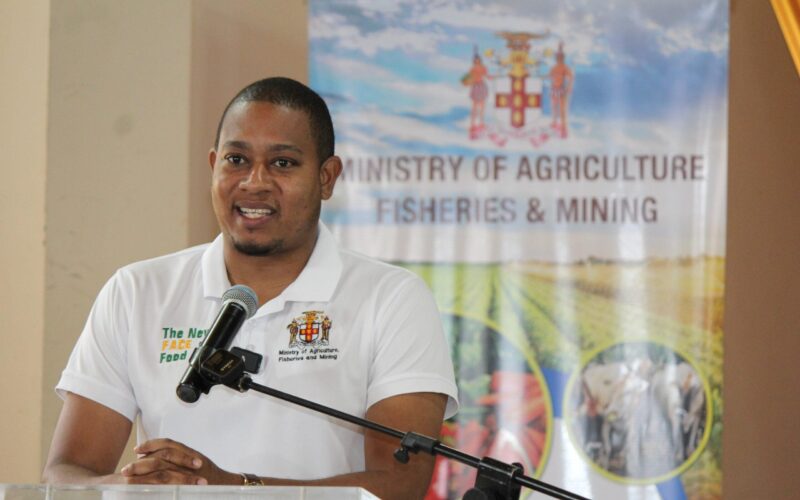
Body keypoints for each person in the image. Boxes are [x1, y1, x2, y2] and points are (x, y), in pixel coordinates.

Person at [42, 77, 459, 500]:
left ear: (327, 178)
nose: (254, 182)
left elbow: (401, 483)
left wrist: (234, 489)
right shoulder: (136, 292)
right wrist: (134, 486)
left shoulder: (392, 298)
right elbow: (65, 474)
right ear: (213, 166)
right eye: (236, 159)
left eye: (283, 163)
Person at [549, 42, 574, 138]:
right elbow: (551, 77)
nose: (559, 59)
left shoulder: (565, 67)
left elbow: (571, 77)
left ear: (563, 58)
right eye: (558, 57)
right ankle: (555, 123)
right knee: (554, 108)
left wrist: (569, 87)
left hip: (562, 89)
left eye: (560, 57)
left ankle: (564, 128)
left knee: (562, 110)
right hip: (554, 89)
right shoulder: (554, 67)